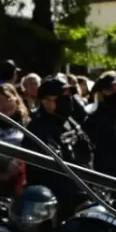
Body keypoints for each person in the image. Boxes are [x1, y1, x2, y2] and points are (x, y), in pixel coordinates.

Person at [27, 76, 93, 218]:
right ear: (45, 101)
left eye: (69, 95)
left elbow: (86, 155)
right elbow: (50, 174)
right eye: (61, 97)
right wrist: (76, 201)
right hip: (57, 207)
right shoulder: (38, 129)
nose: (67, 100)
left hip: (86, 197)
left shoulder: (69, 121)